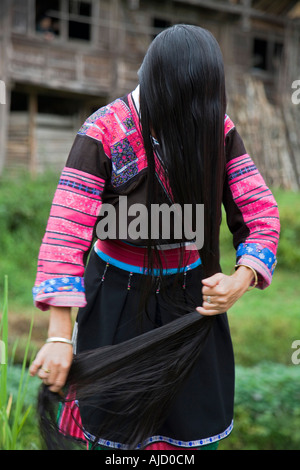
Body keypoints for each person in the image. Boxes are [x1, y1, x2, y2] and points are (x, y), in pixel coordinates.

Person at [29, 24, 280, 450]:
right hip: (115, 300)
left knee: (194, 433)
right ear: (157, 86)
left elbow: (259, 210)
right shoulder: (103, 132)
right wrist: (57, 336)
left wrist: (240, 280)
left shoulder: (215, 127)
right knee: (115, 437)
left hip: (191, 303)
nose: (197, 115)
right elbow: (66, 234)